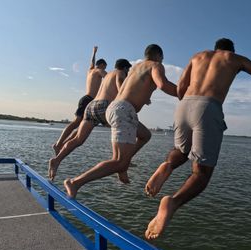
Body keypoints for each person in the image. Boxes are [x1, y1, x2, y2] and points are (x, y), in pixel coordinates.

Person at [144, 38, 251, 240]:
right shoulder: (234, 58)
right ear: (230, 49)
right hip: (208, 108)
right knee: (201, 173)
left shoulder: (197, 56)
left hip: (183, 106)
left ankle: (167, 166)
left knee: (181, 151)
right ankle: (172, 202)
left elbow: (181, 88)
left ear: (215, 47)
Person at [63, 44, 178, 198]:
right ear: (158, 56)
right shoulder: (155, 65)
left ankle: (124, 165)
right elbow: (163, 84)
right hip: (124, 111)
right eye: (162, 58)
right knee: (118, 161)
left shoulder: (137, 67)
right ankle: (75, 182)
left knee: (145, 135)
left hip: (115, 108)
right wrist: (187, 93)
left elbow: (131, 88)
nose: (162, 61)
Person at [48, 59, 132, 182]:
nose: (128, 71)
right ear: (124, 68)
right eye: (128, 69)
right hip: (104, 105)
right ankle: (121, 165)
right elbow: (122, 92)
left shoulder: (95, 72)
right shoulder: (118, 73)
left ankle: (57, 159)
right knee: (127, 127)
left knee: (78, 139)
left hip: (91, 105)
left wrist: (93, 53)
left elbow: (92, 65)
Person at [52, 46, 107, 154]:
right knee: (76, 123)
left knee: (81, 126)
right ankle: (58, 144)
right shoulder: (99, 70)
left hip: (88, 100)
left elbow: (92, 62)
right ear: (102, 65)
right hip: (88, 99)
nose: (104, 69)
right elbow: (109, 77)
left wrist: (94, 52)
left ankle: (62, 145)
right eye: (104, 67)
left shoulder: (90, 70)